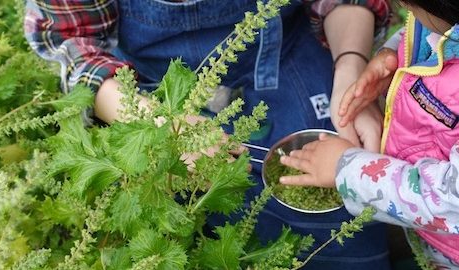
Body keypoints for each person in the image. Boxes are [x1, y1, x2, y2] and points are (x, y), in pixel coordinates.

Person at [25, 0, 391, 269]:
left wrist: (350, 67)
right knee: (198, 228)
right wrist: (157, 124)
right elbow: (72, 44)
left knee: (340, 208)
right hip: (154, 91)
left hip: (285, 59)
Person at [280, 0, 459, 268]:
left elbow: (450, 201)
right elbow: (434, 34)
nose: (408, 14)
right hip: (430, 234)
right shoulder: (443, 19)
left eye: (412, 11)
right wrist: (392, 55)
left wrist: (346, 168)